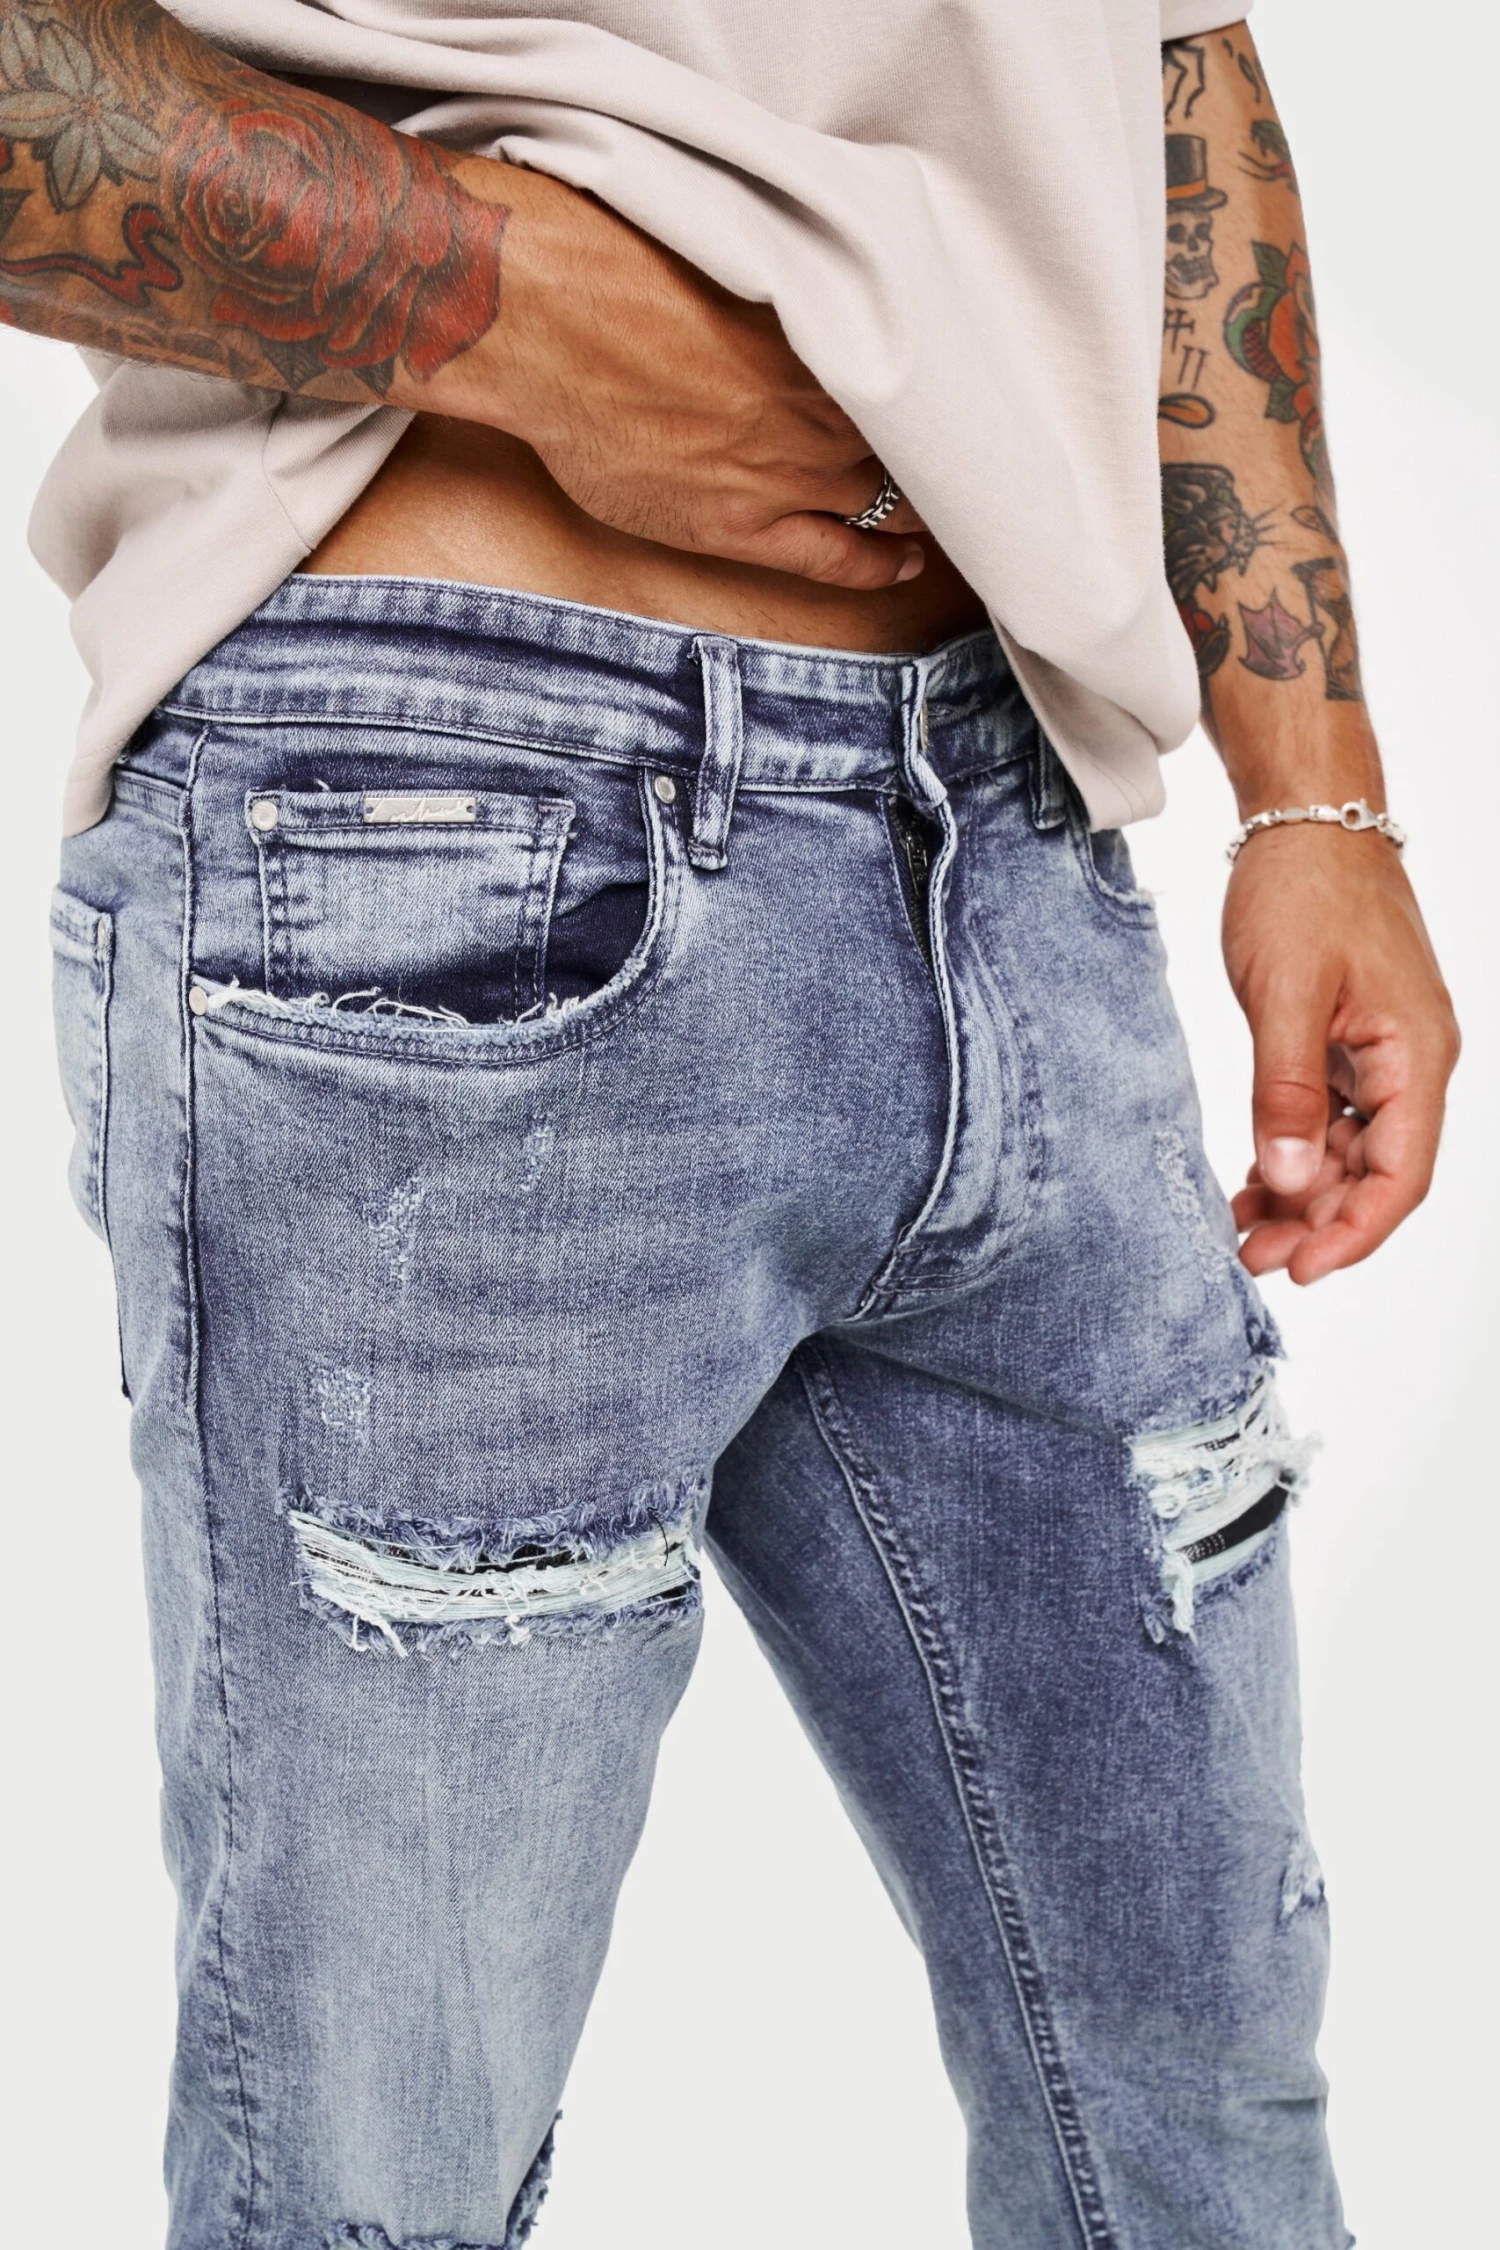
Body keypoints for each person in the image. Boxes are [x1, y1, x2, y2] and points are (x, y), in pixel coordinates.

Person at [3, 1, 1459, 2244]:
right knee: (380, 2170)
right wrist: (509, 307)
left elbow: (1180, 56)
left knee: (1204, 2121)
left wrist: (1318, 792)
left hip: (1014, 828)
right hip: (464, 807)